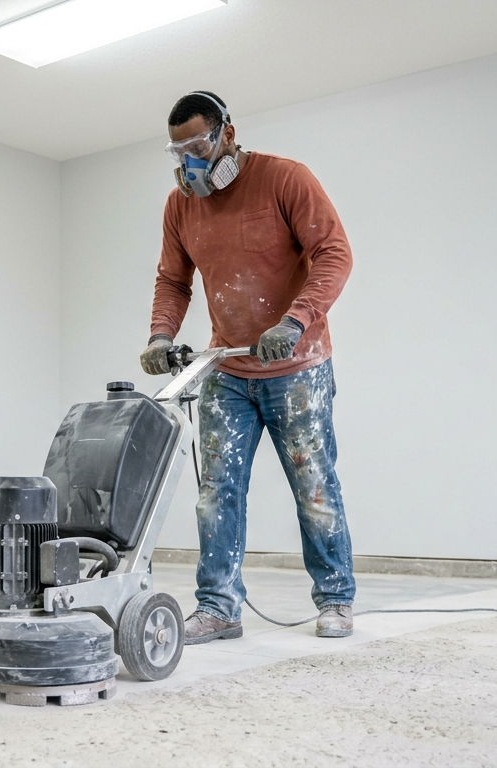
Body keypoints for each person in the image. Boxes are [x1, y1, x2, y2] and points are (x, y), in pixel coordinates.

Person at [140, 91, 356, 643]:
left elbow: (333, 253)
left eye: (198, 145)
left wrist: (295, 322)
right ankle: (218, 608)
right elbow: (173, 280)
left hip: (298, 367)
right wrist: (161, 334)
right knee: (217, 491)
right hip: (228, 369)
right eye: (178, 150)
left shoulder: (285, 179)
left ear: (227, 135)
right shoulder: (179, 204)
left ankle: (335, 599)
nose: (189, 160)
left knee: (314, 486)